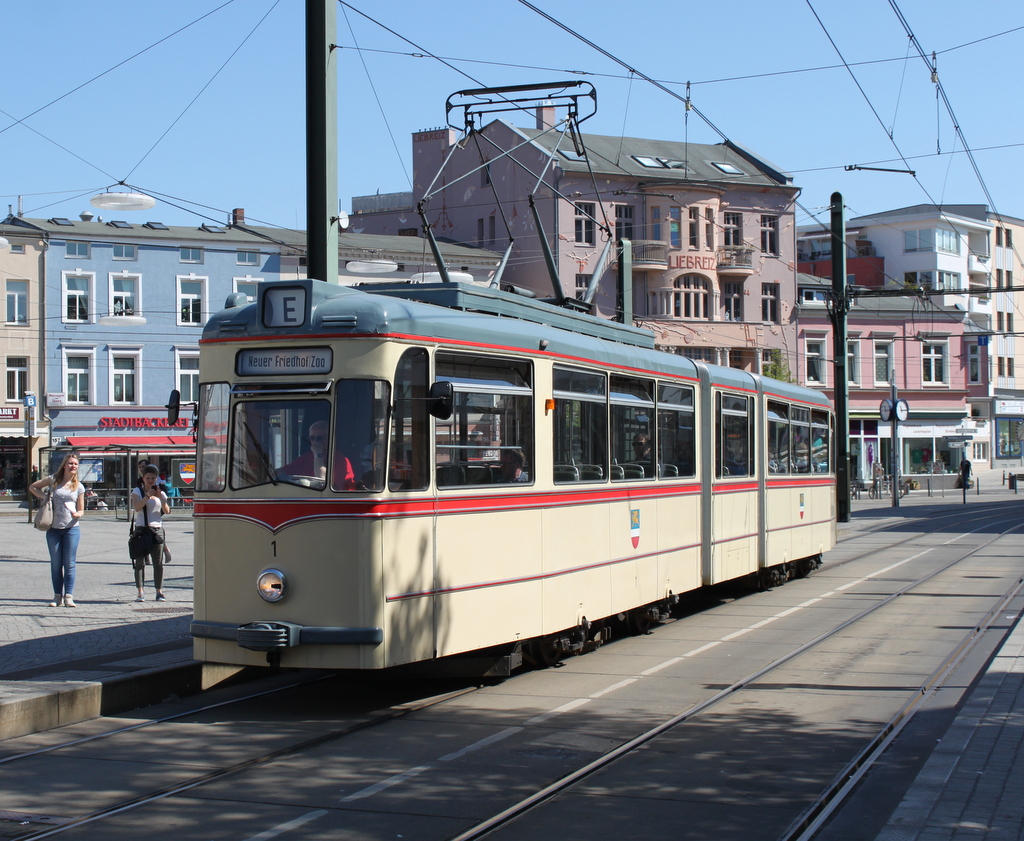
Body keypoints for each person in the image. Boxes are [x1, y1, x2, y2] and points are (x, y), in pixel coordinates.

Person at [29, 452, 86, 607]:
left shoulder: (79, 486)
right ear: (64, 465)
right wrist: (44, 497)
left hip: (71, 529)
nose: (73, 466)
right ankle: (57, 596)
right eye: (70, 463)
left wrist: (77, 514)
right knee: (56, 563)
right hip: (53, 528)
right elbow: (33, 487)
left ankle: (69, 596)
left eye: (75, 464)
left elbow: (82, 509)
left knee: (70, 563)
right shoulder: (53, 480)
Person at [131, 465, 170, 602]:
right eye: (148, 478)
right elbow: (137, 507)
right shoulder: (138, 491)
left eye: (153, 478)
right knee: (140, 562)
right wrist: (148, 496)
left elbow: (167, 511)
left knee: (158, 562)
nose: (150, 480)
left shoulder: (161, 492)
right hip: (142, 529)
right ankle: (140, 591)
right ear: (143, 478)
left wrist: (160, 497)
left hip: (157, 529)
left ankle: (159, 591)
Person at [282, 420, 356, 488]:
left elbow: (322, 482)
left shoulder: (341, 460)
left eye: (319, 438)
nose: (315, 442)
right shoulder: (306, 458)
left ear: (330, 438)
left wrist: (318, 455)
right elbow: (283, 471)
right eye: (312, 438)